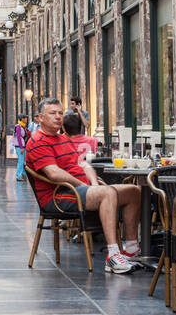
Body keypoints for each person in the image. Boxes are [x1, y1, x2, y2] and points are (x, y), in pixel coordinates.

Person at [25, 98, 142, 273]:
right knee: (108, 193)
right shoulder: (38, 141)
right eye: (52, 113)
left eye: (60, 113)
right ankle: (112, 256)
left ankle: (131, 250)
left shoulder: (63, 139)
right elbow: (54, 173)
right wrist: (84, 185)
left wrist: (94, 184)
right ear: (40, 117)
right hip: (59, 196)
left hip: (80, 191)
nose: (58, 117)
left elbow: (84, 164)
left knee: (133, 191)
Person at [13, 116, 29, 182]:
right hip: (20, 146)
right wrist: (21, 147)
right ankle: (18, 176)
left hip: (22, 145)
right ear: (22, 119)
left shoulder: (23, 126)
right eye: (25, 118)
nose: (26, 120)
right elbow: (19, 137)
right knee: (21, 161)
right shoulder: (18, 126)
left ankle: (23, 174)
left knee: (23, 161)